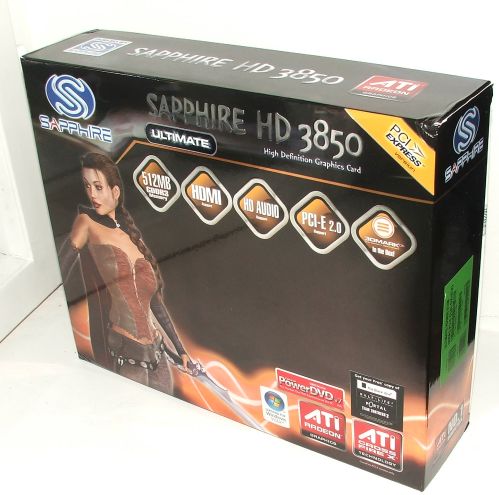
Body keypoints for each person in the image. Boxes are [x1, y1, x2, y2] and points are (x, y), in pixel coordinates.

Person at [59, 152, 191, 394]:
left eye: (98, 187)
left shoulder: (132, 237)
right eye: (88, 186)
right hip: (126, 353)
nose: (92, 194)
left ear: (115, 191)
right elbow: (61, 269)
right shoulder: (86, 222)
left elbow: (155, 305)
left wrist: (181, 350)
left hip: (159, 356)